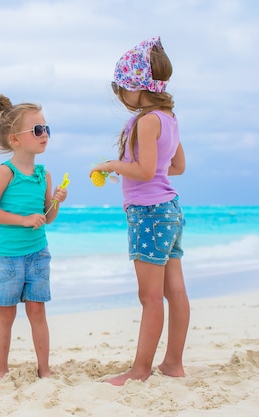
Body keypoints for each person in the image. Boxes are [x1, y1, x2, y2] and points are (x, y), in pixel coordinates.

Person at [90, 36, 190, 386]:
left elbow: (146, 172)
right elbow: (175, 166)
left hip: (148, 213)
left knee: (149, 296)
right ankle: (173, 363)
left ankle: (140, 369)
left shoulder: (146, 121)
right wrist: (140, 166)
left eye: (123, 88)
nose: (121, 96)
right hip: (170, 209)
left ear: (138, 86)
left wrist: (114, 164)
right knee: (174, 290)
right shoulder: (169, 118)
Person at [0, 93, 67, 380]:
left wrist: (55, 202)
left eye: (46, 129)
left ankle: (44, 368)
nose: (44, 135)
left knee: (37, 312)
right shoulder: (6, 172)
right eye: (37, 130)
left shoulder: (44, 174)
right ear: (15, 139)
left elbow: (47, 218)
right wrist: (22, 219)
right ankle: (1, 369)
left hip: (37, 253)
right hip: (6, 255)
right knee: (5, 315)